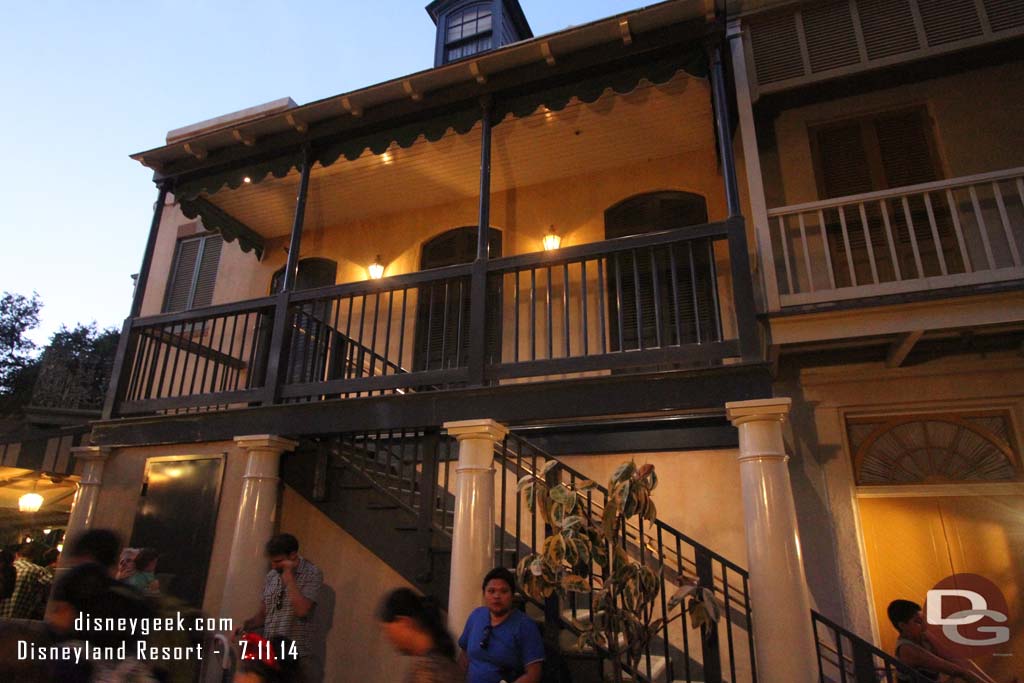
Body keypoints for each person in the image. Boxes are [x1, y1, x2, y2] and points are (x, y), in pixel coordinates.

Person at [240, 533, 323, 682]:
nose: (273, 566)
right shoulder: (271, 576)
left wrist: (289, 579)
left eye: (278, 561)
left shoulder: (312, 573)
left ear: (292, 555)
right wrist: (245, 626)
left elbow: (302, 610)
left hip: (296, 656)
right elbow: (264, 614)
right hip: (271, 654)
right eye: (272, 562)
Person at [887, 599, 1005, 683]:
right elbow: (955, 670)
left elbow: (954, 658)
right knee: (961, 673)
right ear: (902, 626)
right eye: (917, 622)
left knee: (965, 663)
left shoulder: (924, 635)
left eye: (923, 619)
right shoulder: (907, 650)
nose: (924, 624)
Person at [459, 568, 543, 683]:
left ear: (512, 596)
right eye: (491, 591)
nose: (497, 596)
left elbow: (533, 674)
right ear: (484, 594)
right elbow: (464, 656)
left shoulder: (525, 626)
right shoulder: (476, 616)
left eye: (503, 591)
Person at [378, 587, 463, 683]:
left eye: (388, 631)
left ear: (404, 622)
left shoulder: (429, 672)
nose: (388, 638)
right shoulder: (440, 664)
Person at [0, 542, 50, 619]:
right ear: (33, 557)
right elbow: (54, 588)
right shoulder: (39, 571)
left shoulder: (7, 568)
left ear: (17, 555)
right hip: (19, 620)